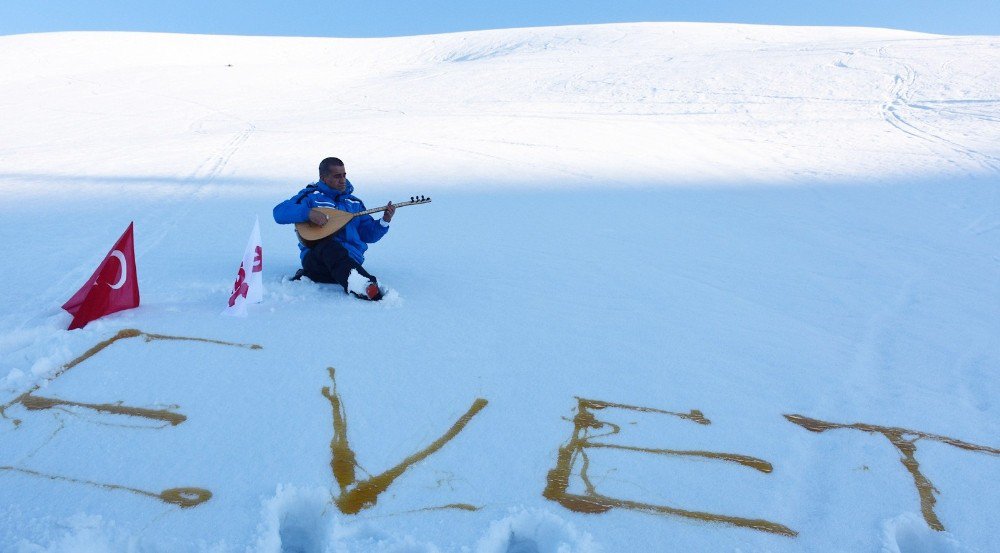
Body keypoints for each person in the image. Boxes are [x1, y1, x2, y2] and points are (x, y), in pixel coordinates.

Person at [273, 157, 396, 300]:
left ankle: (352, 278)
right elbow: (279, 212)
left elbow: (368, 235)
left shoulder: (354, 203)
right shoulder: (311, 197)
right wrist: (308, 213)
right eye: (337, 176)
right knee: (327, 245)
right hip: (317, 260)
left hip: (351, 261)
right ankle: (365, 286)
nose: (342, 180)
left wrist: (384, 221)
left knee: (339, 256)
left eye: (344, 175)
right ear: (323, 178)